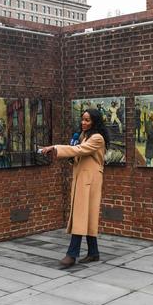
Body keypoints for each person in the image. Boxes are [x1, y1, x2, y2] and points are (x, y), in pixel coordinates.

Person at [41, 108, 108, 268]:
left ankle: (72, 254)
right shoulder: (84, 136)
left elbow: (79, 150)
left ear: (94, 122)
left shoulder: (97, 138)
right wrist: (71, 157)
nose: (83, 122)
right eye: (82, 119)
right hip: (83, 178)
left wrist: (55, 147)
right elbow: (78, 154)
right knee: (87, 214)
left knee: (80, 214)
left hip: (90, 180)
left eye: (87, 120)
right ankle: (93, 252)